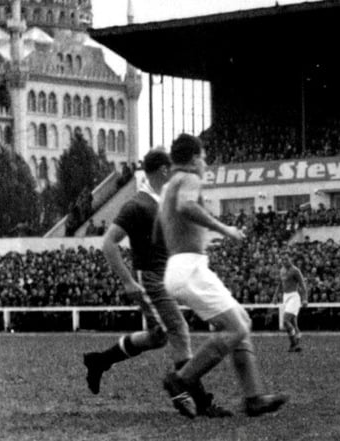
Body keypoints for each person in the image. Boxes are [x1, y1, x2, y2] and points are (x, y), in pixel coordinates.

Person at [82, 149, 230, 417]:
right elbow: (108, 243)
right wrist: (127, 281)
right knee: (178, 329)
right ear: (163, 170)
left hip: (165, 277)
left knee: (158, 336)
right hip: (150, 278)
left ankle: (99, 361)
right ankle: (198, 400)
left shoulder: (162, 202)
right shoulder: (137, 205)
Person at [158, 134, 287, 418]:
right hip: (189, 268)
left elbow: (165, 226)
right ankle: (181, 379)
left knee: (241, 320)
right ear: (194, 159)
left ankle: (254, 397)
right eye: (203, 157)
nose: (204, 163)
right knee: (235, 329)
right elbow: (187, 206)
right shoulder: (189, 178)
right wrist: (224, 229)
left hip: (181, 266)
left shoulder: (168, 186)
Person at [272, 250, 309, 352]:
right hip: (285, 297)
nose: (284, 261)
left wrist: (305, 299)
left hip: (294, 297)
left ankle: (293, 343)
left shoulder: (295, 270)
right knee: (293, 322)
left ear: (290, 259)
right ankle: (296, 340)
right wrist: (275, 296)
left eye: (286, 259)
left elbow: (302, 285)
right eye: (283, 259)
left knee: (285, 320)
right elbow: (280, 284)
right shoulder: (282, 270)